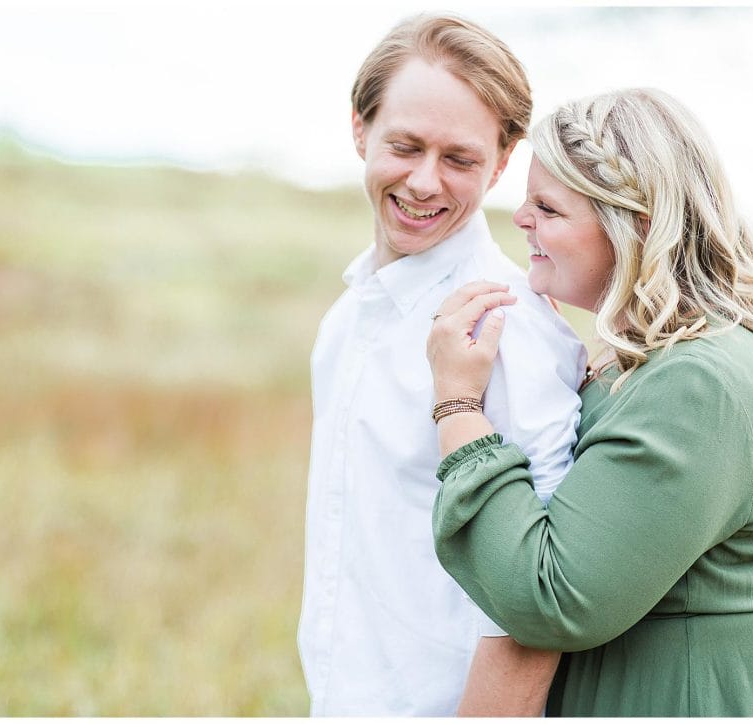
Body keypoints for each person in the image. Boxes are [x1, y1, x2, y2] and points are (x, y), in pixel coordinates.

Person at [426, 87, 753, 716]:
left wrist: (458, 407)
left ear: (636, 225)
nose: (520, 220)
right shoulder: (655, 359)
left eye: (548, 208)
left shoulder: (699, 382)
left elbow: (550, 598)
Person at [297, 13, 587, 717]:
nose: (424, 182)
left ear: (503, 161)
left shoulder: (511, 329)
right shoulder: (345, 322)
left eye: (458, 159)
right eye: (404, 146)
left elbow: (535, 601)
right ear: (360, 130)